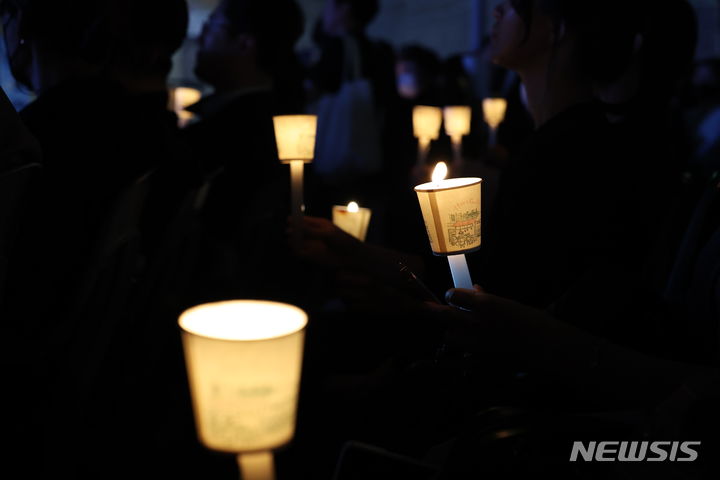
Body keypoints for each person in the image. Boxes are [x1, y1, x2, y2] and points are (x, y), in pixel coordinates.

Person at [182, 0, 306, 303]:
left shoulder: (231, 132)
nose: (200, 37)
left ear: (244, 43)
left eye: (211, 27)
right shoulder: (272, 119)